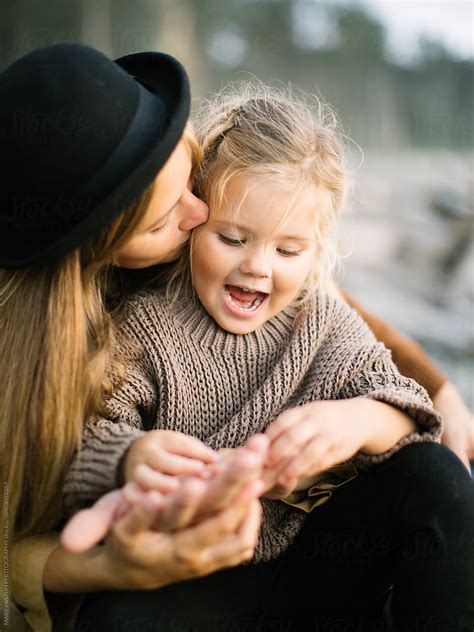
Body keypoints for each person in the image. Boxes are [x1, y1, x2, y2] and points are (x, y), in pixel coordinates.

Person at [1, 45, 472, 632]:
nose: (197, 211)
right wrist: (129, 473)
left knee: (436, 475)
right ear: (97, 247)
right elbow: (85, 446)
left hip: (319, 561)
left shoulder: (307, 308)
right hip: (189, 576)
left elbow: (374, 367)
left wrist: (405, 401)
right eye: (168, 216)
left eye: (288, 250)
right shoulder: (133, 330)